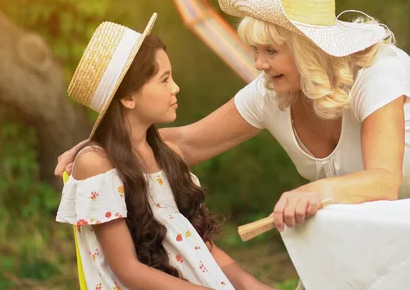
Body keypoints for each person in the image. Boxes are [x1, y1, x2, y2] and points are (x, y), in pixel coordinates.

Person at [56, 0, 410, 236]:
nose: (258, 64)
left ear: (309, 49)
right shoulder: (270, 92)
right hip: (368, 213)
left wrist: (315, 191)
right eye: (254, 50)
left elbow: (384, 181)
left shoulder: (380, 72)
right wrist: (102, 149)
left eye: (270, 51)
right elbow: (187, 144)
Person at [56, 14, 276, 290]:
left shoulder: (165, 156)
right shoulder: (97, 166)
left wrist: (250, 285)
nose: (176, 88)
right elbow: (128, 270)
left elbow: (197, 244)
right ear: (127, 98)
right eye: (164, 80)